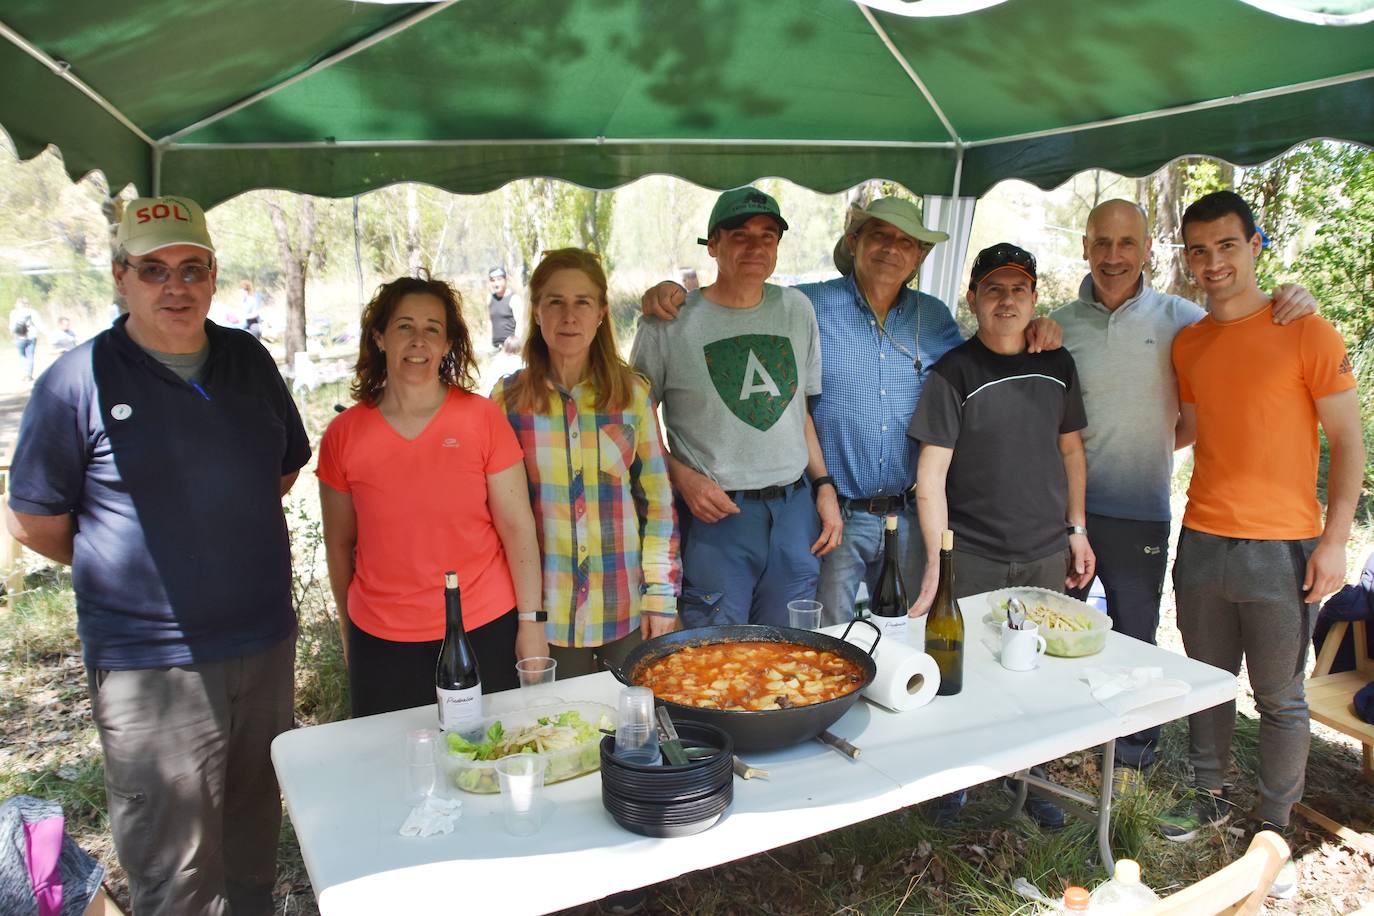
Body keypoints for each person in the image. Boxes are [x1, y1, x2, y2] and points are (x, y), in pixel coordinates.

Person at [5, 194, 310, 915]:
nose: (175, 286)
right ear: (120, 276)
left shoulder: (246, 359)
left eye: (192, 268)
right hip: (150, 665)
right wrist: (129, 561)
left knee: (251, 839)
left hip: (263, 645)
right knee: (174, 870)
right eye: (153, 270)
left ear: (212, 275)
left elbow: (284, 468)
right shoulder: (77, 380)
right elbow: (34, 521)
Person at [640, 197, 1061, 627]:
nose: (891, 248)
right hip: (835, 513)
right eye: (879, 235)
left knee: (911, 629)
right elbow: (742, 305)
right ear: (853, 241)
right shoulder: (807, 305)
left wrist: (1033, 327)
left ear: (919, 256)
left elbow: (983, 358)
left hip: (913, 513)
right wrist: (668, 295)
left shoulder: (934, 317)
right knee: (828, 636)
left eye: (905, 241)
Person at [1051, 198, 1316, 778]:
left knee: (1135, 634)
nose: (1113, 256)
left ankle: (1132, 755)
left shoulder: (1183, 321)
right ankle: (1052, 742)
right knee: (1057, 630)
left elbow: (1201, 406)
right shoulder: (1057, 325)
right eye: (1101, 242)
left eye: (1127, 244)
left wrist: (1296, 296)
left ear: (1148, 250)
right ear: (1086, 247)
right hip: (1062, 512)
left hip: (1141, 512)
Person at [1159, 191, 1363, 847]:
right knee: (1207, 684)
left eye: (1226, 245)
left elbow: (1351, 445)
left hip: (1283, 548)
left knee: (1280, 697)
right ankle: (1208, 797)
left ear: (1255, 245)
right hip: (1203, 542)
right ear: (1187, 257)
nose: (1212, 261)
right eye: (1199, 249)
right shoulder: (1189, 343)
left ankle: (1275, 824)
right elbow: (1188, 427)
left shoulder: (1305, 329)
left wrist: (1334, 544)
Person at [908, 243, 1094, 829]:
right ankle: (952, 782)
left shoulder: (1058, 364)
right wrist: (940, 564)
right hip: (976, 553)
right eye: (993, 289)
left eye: (1018, 289)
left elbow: (1072, 452)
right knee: (957, 670)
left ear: (1034, 298)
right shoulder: (953, 372)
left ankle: (1032, 779)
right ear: (973, 300)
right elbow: (930, 477)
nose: (1006, 300)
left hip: (1044, 551)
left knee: (1036, 675)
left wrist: (1077, 531)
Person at [318, 273, 547, 717]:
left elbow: (518, 528)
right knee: (392, 770)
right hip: (381, 641)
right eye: (404, 326)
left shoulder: (481, 419)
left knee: (487, 760)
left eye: (432, 329)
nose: (418, 340)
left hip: (484, 627)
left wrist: (530, 623)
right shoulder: (343, 435)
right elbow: (339, 544)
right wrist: (350, 633)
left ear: (448, 345)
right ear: (380, 338)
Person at [630, 186, 842, 628]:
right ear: (713, 246)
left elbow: (797, 410)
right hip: (716, 517)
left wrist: (823, 486)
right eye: (740, 234)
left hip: (793, 511)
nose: (756, 246)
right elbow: (635, 419)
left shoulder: (797, 310)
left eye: (768, 236)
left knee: (790, 659)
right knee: (715, 662)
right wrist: (679, 476)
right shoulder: (670, 322)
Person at [491, 248, 680, 678]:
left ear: (601, 314)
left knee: (637, 727)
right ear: (537, 312)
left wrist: (661, 598)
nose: (569, 316)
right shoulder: (508, 402)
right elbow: (500, 518)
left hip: (625, 608)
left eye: (583, 302)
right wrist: (526, 618)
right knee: (559, 729)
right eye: (555, 301)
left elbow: (658, 506)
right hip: (547, 618)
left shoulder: (631, 396)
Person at [487, 266, 522, 354]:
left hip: (511, 349)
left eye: (499, 279)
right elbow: (490, 321)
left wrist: (516, 345)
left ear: (505, 280)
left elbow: (520, 323)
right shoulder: (490, 299)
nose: (496, 283)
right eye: (493, 280)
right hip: (495, 347)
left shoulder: (514, 299)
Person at [9, 297, 41, 382]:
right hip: (32, 336)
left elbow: (12, 326)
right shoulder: (32, 312)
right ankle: (29, 375)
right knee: (30, 356)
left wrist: (12, 335)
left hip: (19, 337)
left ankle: (25, 373)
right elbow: (39, 324)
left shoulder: (14, 313)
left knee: (22, 356)